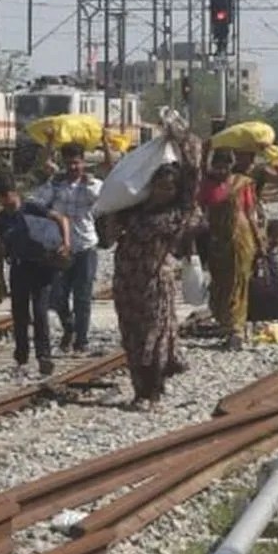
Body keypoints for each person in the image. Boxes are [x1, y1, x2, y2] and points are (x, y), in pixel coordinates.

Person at [103, 135, 202, 410]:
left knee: (155, 337)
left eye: (169, 187)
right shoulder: (132, 211)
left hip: (155, 284)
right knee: (132, 337)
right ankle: (140, 391)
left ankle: (154, 392)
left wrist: (180, 138)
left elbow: (193, 175)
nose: (163, 192)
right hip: (127, 282)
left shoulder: (177, 213)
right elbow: (109, 233)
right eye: (159, 185)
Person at [0, 170, 71, 376]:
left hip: (41, 266)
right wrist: (0, 280)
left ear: (14, 192)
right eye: (0, 198)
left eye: (6, 196)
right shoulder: (0, 219)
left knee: (40, 311)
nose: (4, 201)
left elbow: (61, 219)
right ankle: (21, 355)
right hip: (18, 267)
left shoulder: (32, 208)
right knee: (19, 314)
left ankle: (44, 355)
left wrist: (66, 244)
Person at [34, 139, 108, 355]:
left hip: (85, 246)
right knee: (58, 295)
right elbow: (39, 201)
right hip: (60, 248)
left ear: (83, 162)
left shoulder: (91, 184)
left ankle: (81, 341)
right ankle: (69, 327)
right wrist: (49, 173)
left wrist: (88, 181)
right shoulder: (56, 185)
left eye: (76, 163)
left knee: (82, 296)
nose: (73, 167)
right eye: (69, 164)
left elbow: (101, 199)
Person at [198, 144, 265, 350]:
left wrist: (259, 241)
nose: (221, 170)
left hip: (240, 239)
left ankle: (236, 329)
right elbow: (201, 208)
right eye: (217, 165)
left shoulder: (242, 183)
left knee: (238, 283)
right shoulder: (207, 185)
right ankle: (225, 321)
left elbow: (251, 214)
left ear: (231, 165)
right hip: (217, 240)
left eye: (225, 166)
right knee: (220, 283)